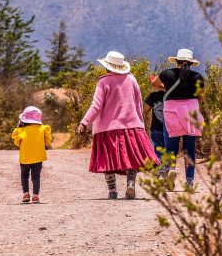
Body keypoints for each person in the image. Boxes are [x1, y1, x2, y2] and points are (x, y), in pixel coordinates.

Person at [78, 51, 159, 200]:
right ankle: (130, 184)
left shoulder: (103, 82)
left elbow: (96, 106)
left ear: (107, 67)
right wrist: (140, 124)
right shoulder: (131, 79)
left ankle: (113, 191)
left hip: (107, 129)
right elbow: (137, 103)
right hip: (132, 126)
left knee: (107, 160)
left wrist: (84, 122)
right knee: (131, 159)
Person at [151, 49, 204, 191]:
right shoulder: (197, 76)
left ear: (176, 61)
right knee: (189, 150)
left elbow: (155, 84)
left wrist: (165, 87)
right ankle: (189, 182)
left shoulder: (166, 74)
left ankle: (169, 169)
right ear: (191, 63)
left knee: (170, 146)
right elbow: (200, 96)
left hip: (171, 113)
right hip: (191, 113)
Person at [11, 106, 52, 204]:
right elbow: (47, 141)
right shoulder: (43, 129)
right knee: (36, 176)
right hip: (38, 158)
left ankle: (25, 194)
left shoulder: (21, 130)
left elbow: (17, 143)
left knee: (24, 176)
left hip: (25, 158)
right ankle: (35, 196)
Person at [144, 76, 165, 162]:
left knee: (157, 150)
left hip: (156, 128)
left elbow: (146, 110)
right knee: (168, 150)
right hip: (170, 129)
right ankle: (167, 169)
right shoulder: (170, 96)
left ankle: (159, 171)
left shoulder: (152, 96)